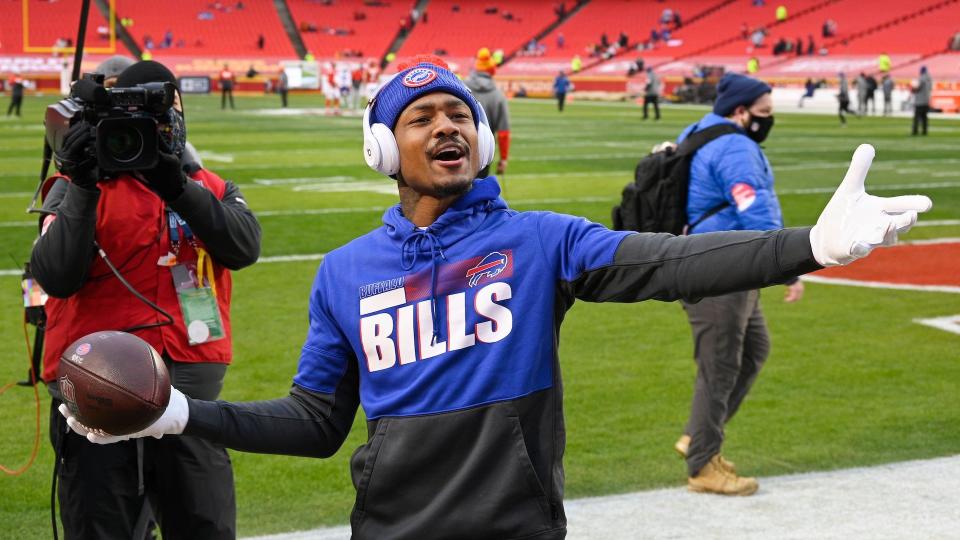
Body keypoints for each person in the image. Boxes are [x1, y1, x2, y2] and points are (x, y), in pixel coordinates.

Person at [60, 56, 932, 538]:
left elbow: (670, 263)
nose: (447, 125)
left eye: (458, 114)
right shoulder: (345, 273)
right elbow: (316, 426)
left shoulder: (543, 241)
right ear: (382, 149)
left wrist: (808, 247)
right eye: (421, 116)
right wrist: (177, 416)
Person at [34, 60, 261, 539]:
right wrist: (81, 183)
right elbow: (56, 275)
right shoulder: (75, 188)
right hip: (96, 392)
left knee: (205, 524)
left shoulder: (207, 186)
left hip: (190, 393)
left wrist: (175, 184)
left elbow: (243, 247)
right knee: (102, 527)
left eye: (163, 114)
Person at [671, 73, 803, 496]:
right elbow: (754, 204)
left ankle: (699, 435)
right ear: (741, 111)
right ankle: (703, 466)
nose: (769, 120)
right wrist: (785, 263)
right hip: (720, 266)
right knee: (721, 363)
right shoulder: (736, 146)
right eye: (764, 112)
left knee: (754, 349)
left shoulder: (700, 130)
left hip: (713, 260)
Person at [465, 48, 510, 175]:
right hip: (484, 154)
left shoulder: (461, 87)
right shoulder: (498, 96)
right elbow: (503, 133)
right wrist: (503, 159)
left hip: (458, 151)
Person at [912, 66, 932, 136]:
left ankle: (915, 131)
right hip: (926, 100)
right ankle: (924, 131)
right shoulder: (929, 79)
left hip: (919, 101)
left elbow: (917, 88)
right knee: (924, 118)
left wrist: (912, 89)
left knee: (917, 118)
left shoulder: (921, 78)